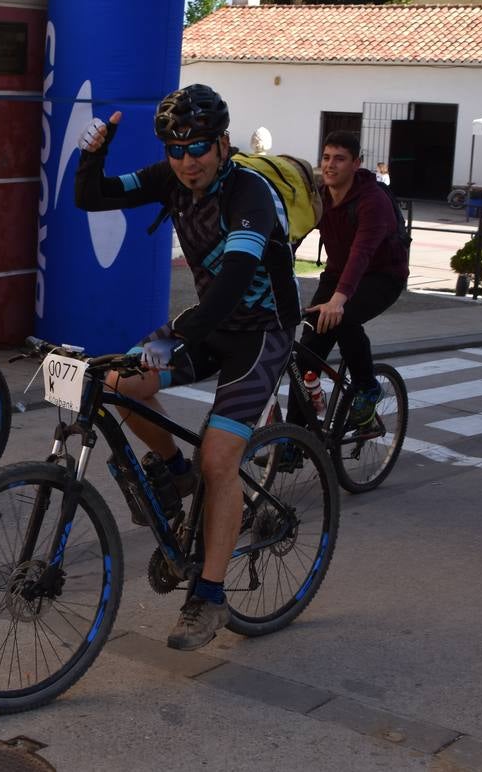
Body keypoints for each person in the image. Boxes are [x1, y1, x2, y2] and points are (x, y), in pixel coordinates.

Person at [74, 84, 300, 651]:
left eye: (198, 146)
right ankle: (176, 473)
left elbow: (228, 293)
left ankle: (211, 596)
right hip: (212, 324)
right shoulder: (170, 177)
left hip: (261, 333)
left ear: (223, 143)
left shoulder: (250, 194)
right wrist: (94, 151)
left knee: (220, 459)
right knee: (118, 381)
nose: (186, 160)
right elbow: (93, 196)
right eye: (175, 149)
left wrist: (170, 333)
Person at [290, 131, 408, 431]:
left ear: (357, 163)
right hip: (337, 275)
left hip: (383, 277)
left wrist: (337, 301)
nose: (330, 165)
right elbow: (294, 236)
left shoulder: (373, 201)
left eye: (340, 159)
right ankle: (294, 438)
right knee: (306, 353)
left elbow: (362, 253)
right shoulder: (321, 197)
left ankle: (368, 387)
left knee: (342, 319)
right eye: (327, 157)